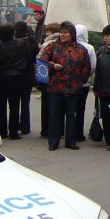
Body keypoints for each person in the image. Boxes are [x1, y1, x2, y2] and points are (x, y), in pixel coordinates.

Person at [39, 21, 91, 151]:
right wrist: (52, 66)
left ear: (72, 34)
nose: (62, 35)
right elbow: (41, 62)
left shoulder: (81, 49)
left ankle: (71, 141)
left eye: (65, 33)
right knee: (54, 115)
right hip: (55, 87)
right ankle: (53, 141)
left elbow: (87, 66)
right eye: (61, 32)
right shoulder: (52, 46)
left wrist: (81, 80)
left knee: (71, 115)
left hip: (73, 88)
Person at [0, 24, 29, 140]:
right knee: (14, 105)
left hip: (1, 76)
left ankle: (1, 131)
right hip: (17, 76)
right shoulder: (21, 44)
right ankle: (14, 132)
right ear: (13, 33)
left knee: (0, 105)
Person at [14, 20, 39, 135]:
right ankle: (25, 126)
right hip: (29, 73)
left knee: (15, 102)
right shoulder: (33, 42)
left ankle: (14, 125)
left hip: (18, 73)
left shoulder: (17, 42)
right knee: (25, 101)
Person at [37, 23, 60, 138]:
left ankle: (46, 130)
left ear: (51, 32)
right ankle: (59, 130)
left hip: (47, 78)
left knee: (46, 105)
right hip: (60, 79)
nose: (46, 33)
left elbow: (39, 60)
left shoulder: (47, 44)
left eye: (47, 31)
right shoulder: (64, 44)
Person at [75, 24, 97, 142]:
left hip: (69, 83)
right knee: (80, 108)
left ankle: (69, 131)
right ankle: (79, 133)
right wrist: (87, 75)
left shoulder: (70, 46)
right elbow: (93, 66)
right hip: (84, 82)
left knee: (69, 109)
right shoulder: (89, 48)